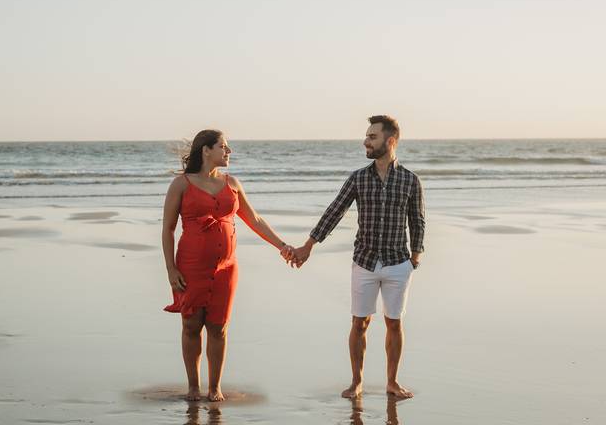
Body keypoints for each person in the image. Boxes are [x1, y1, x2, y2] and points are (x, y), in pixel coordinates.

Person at [290, 115, 425, 399]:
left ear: (390, 141)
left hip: (398, 263)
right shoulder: (359, 178)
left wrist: (416, 255)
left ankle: (392, 382)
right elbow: (334, 212)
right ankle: (356, 382)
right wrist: (308, 245)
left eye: (372, 137)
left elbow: (418, 220)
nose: (366, 141)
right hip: (364, 261)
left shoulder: (411, 180)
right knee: (359, 323)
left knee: (394, 323)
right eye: (366, 136)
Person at [162, 129, 294, 402]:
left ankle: (214, 387)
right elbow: (168, 229)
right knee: (191, 325)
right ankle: (193, 387)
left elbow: (254, 219)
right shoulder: (182, 185)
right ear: (206, 150)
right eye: (223, 146)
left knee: (218, 326)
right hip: (191, 265)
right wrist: (170, 270)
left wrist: (282, 246)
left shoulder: (232, 183)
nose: (229, 151)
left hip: (227, 267)